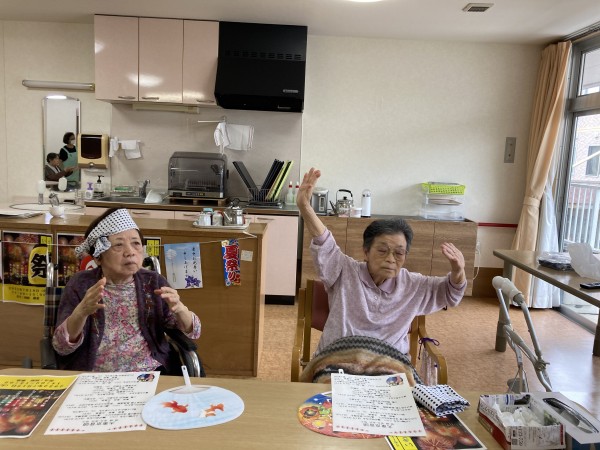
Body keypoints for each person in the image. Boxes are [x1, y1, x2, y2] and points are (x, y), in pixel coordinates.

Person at [297, 168, 467, 358]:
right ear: (366, 252)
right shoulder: (344, 270)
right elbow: (324, 241)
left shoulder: (413, 285)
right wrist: (305, 207)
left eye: (399, 253)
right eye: (382, 250)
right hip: (339, 360)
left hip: (389, 365)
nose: (391, 259)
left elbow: (450, 293)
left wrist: (458, 271)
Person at [52, 208, 201, 373]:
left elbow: (193, 331)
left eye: (136, 243)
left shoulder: (153, 282)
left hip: (150, 372)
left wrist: (180, 309)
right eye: (118, 245)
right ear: (98, 257)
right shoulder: (80, 284)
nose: (130, 252)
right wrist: (80, 313)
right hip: (94, 375)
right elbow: (61, 347)